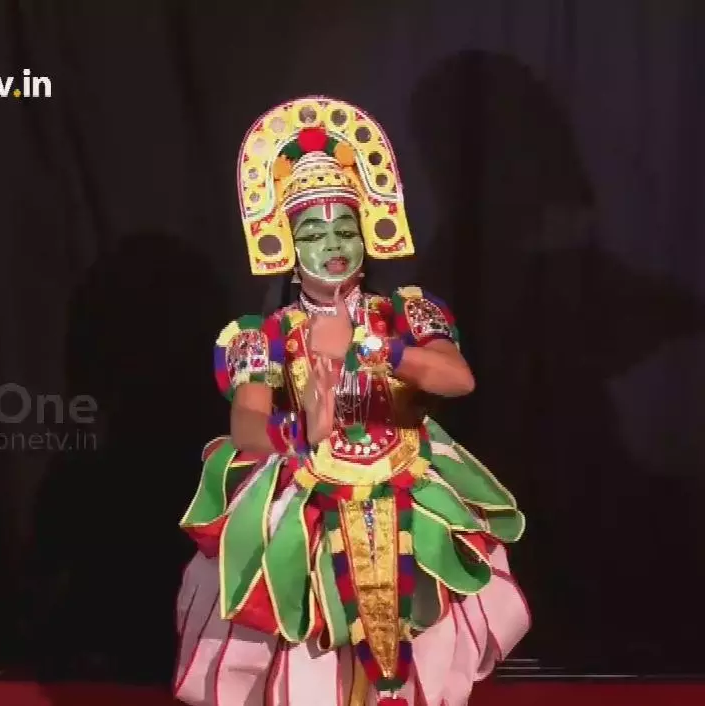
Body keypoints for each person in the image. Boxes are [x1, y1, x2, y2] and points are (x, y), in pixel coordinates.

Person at [173, 96, 530, 706]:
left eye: (346, 229)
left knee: (425, 633)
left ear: (369, 233)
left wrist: (369, 346)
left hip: (407, 476)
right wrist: (303, 428)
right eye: (313, 233)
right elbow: (246, 422)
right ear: (288, 246)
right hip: (308, 487)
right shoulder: (262, 334)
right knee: (307, 636)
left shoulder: (406, 311)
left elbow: (457, 379)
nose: (333, 244)